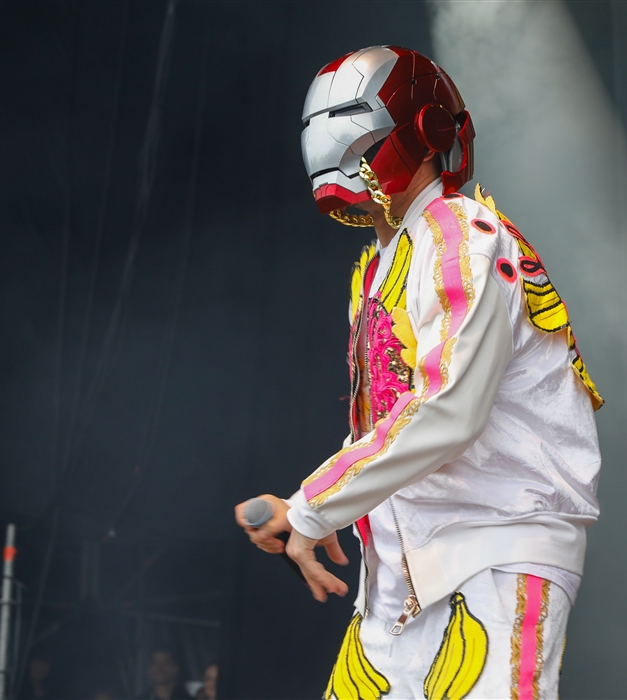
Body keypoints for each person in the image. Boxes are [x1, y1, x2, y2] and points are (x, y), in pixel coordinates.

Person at [235, 46, 602, 699]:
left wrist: (311, 507)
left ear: (423, 134)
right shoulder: (378, 267)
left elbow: (445, 411)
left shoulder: (465, 235)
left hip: (496, 550)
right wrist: (308, 511)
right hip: (399, 574)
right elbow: (388, 424)